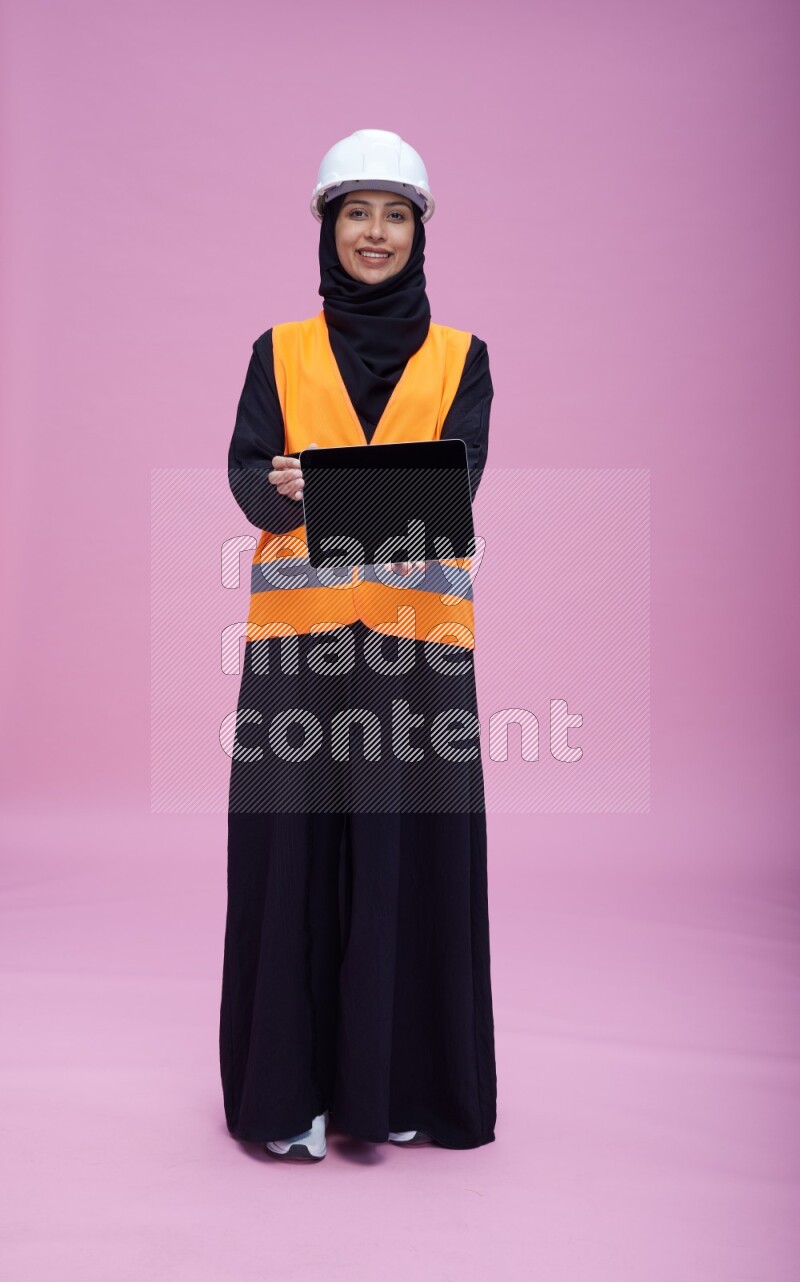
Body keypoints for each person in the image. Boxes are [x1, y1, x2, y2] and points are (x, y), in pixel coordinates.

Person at [219, 128, 497, 1161]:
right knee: (288, 862)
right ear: (327, 227)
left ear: (418, 231)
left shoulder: (462, 357)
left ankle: (407, 1089)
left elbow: (449, 498)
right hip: (297, 650)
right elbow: (250, 477)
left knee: (407, 859)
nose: (373, 233)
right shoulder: (276, 351)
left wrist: (317, 490)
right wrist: (296, 491)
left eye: (394, 214)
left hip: (417, 650)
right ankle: (284, 1098)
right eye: (355, 212)